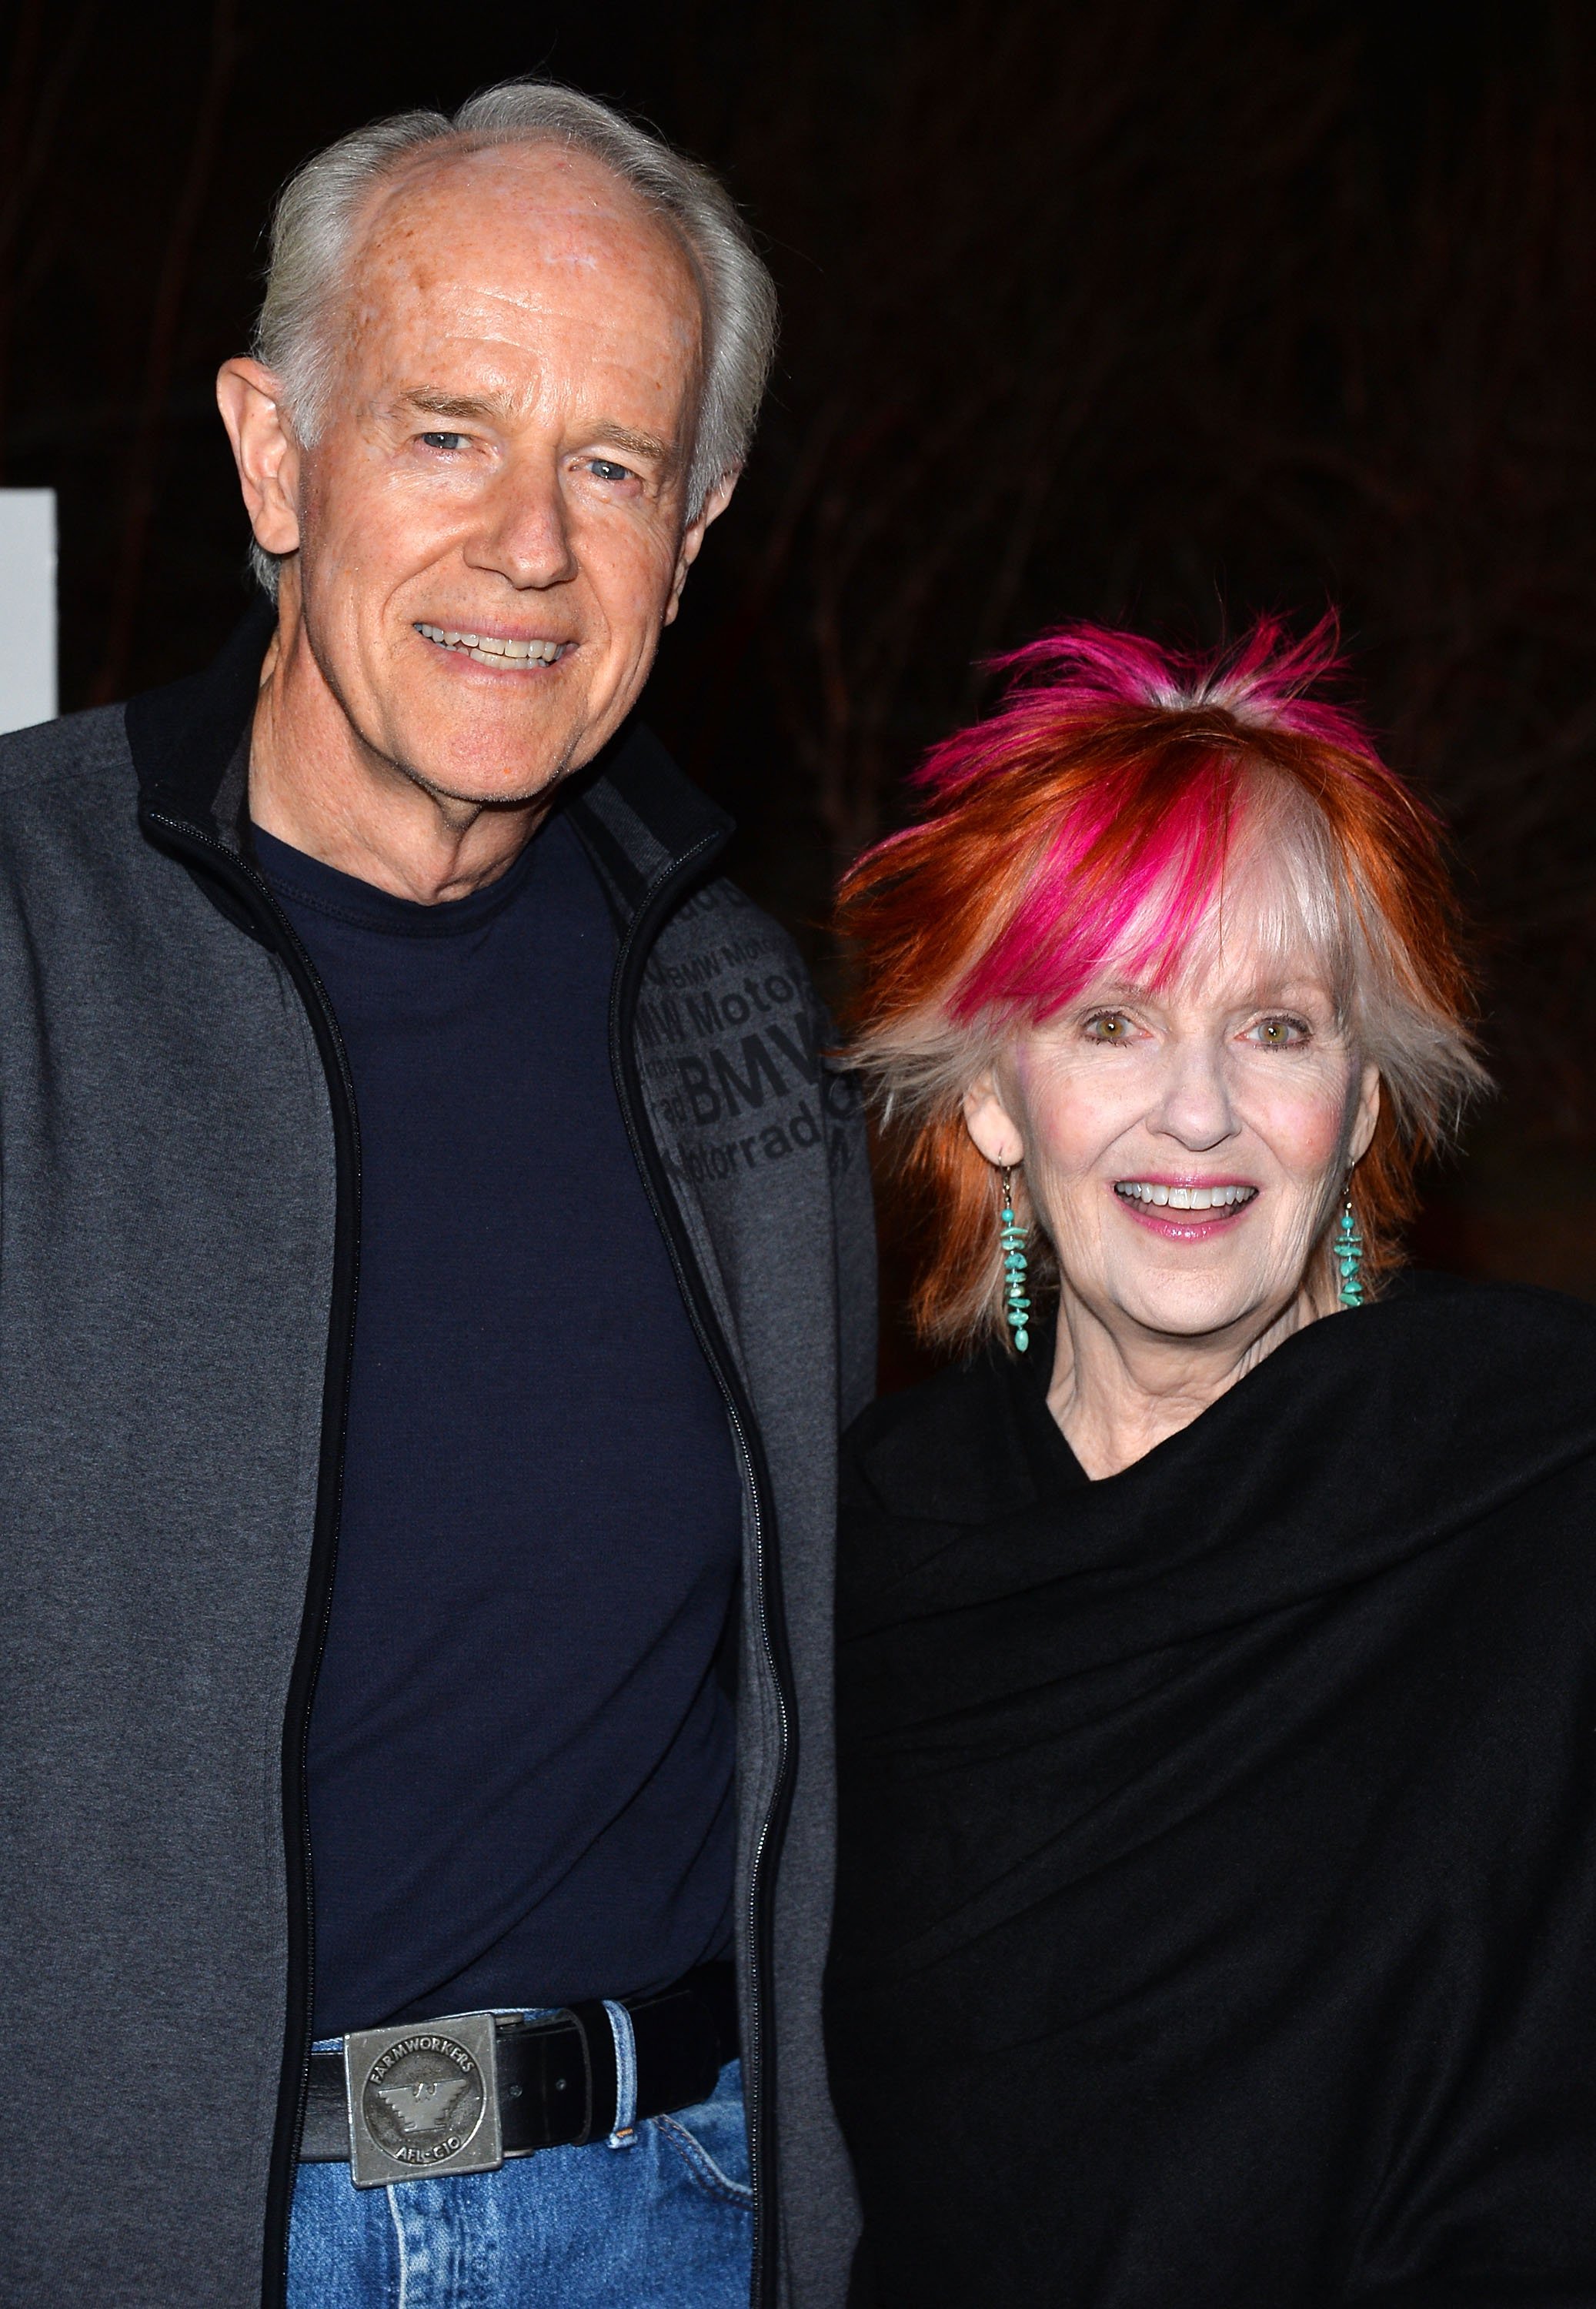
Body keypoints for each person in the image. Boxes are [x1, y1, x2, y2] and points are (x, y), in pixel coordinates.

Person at [0, 82, 873, 2309]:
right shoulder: (25, 931)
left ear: (693, 535)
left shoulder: (744, 1017)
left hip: (675, 2218)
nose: (532, 550)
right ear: (274, 456)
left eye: (612, 465)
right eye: (451, 431)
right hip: (143, 2237)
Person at [824, 619, 1596, 2307]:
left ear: (1364, 1103)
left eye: (1273, 1028)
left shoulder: (1537, 1504)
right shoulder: (850, 1562)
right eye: (1109, 1022)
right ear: (989, 1101)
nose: (1196, 1114)